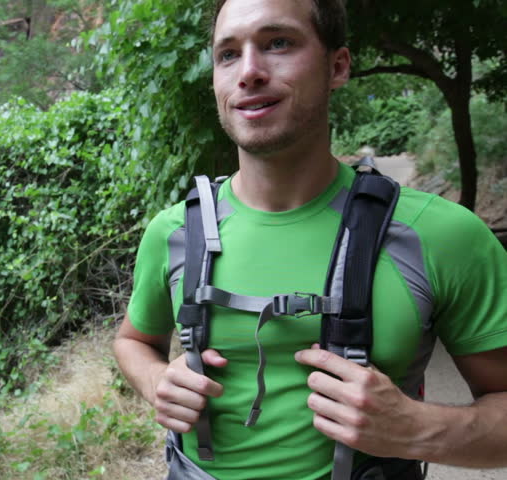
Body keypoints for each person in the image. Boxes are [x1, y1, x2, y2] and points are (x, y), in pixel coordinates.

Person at [112, 0, 507, 479]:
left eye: (278, 43)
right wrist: (157, 380)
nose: (250, 71)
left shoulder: (442, 235)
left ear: (337, 66)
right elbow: (134, 340)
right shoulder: (174, 232)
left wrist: (416, 428)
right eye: (228, 54)